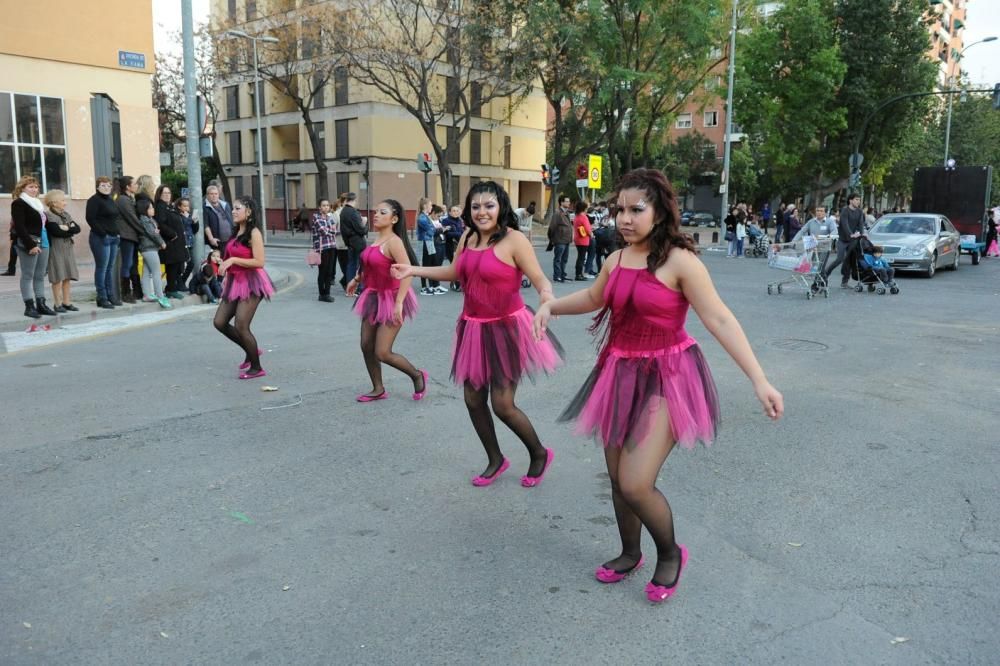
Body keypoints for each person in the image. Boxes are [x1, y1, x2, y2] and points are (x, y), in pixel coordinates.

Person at [533, 168, 783, 603]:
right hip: (619, 372)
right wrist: (550, 307)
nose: (625, 218)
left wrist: (759, 380)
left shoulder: (681, 262)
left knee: (635, 482)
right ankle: (630, 553)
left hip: (668, 375)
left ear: (660, 211)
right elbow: (594, 299)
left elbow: (720, 318)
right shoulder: (615, 259)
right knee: (616, 477)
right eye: (620, 210)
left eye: (636, 209)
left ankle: (670, 554)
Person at [393, 180, 563, 487]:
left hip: (507, 329)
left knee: (503, 404)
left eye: (489, 205)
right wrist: (413, 270)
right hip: (473, 327)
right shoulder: (468, 237)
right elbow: (454, 272)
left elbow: (540, 280)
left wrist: (546, 302)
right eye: (475, 206)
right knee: (473, 400)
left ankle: (538, 453)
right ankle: (495, 459)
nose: (482, 212)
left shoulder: (514, 240)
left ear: (501, 207)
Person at [347, 199, 425, 402]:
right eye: (376, 212)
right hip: (372, 297)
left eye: (382, 212)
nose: (376, 215)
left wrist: (399, 303)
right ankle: (378, 388)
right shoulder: (375, 239)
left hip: (392, 298)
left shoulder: (394, 242)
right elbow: (370, 266)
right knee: (366, 345)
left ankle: (416, 374)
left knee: (382, 351)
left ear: (394, 218)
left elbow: (407, 273)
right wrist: (356, 279)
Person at [213, 196, 274, 380]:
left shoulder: (254, 232)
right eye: (233, 208)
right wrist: (222, 262)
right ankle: (250, 349)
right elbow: (231, 256)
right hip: (234, 281)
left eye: (237, 208)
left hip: (252, 281)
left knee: (241, 325)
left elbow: (259, 261)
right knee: (219, 322)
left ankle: (256, 367)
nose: (233, 211)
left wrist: (233, 260)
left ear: (248, 212)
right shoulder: (235, 231)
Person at [11, 176, 56, 318]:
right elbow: (19, 226)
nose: (34, 189)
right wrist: (30, 244)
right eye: (31, 187)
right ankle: (29, 307)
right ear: (22, 188)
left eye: (36, 187)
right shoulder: (19, 203)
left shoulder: (38, 204)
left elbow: (43, 225)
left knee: (40, 275)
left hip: (43, 241)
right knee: (28, 275)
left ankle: (41, 304)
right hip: (28, 242)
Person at [43, 189, 81, 312]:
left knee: (67, 276)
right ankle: (57, 304)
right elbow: (56, 232)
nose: (65, 203)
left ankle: (66, 302)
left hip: (67, 248)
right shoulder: (48, 215)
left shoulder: (66, 214)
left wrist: (66, 228)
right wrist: (68, 229)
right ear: (54, 203)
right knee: (57, 277)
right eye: (63, 200)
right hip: (56, 249)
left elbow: (78, 229)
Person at [86, 177, 120, 309]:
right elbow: (91, 219)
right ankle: (102, 297)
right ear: (97, 187)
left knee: (110, 268)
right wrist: (103, 234)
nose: (106, 187)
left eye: (108, 185)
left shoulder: (110, 200)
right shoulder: (94, 200)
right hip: (100, 238)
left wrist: (117, 234)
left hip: (113, 237)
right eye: (103, 185)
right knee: (102, 267)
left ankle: (110, 295)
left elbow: (114, 218)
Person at [824, 193, 866, 288]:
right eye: (856, 199)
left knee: (849, 260)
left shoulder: (859, 211)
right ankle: (825, 274)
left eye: (859, 200)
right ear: (850, 200)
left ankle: (845, 282)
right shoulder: (845, 210)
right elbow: (844, 224)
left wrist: (861, 233)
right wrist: (851, 234)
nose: (858, 201)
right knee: (840, 259)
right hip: (843, 239)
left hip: (853, 240)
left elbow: (860, 224)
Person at [114, 176, 144, 304]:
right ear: (127, 186)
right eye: (134, 184)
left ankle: (136, 291)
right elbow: (132, 218)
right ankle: (125, 292)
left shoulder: (129, 199)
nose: (137, 186)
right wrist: (145, 231)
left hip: (132, 236)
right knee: (127, 264)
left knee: (133, 264)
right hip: (127, 235)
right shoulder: (123, 200)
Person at [153, 185, 188, 299]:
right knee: (172, 266)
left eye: (169, 193)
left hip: (177, 242)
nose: (167, 195)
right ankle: (171, 289)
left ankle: (171, 287)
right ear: (160, 195)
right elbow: (161, 223)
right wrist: (173, 234)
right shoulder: (160, 207)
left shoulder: (169, 206)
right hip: (171, 241)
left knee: (176, 265)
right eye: (164, 193)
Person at [136, 199, 171, 309]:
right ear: (144, 209)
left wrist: (157, 233)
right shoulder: (145, 220)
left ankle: (146, 294)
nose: (153, 209)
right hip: (149, 248)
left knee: (146, 272)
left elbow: (155, 232)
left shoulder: (148, 219)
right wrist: (162, 242)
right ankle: (160, 295)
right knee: (157, 272)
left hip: (149, 248)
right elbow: (153, 234)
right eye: (150, 208)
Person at [416, 197, 444, 295]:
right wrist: (438, 229)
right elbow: (431, 230)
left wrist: (436, 229)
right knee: (425, 265)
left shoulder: (425, 216)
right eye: (430, 205)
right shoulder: (422, 217)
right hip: (425, 243)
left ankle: (433, 286)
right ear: (425, 206)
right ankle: (424, 287)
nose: (431, 207)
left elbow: (432, 229)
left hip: (429, 243)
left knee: (432, 263)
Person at [339, 192, 368, 286]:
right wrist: (364, 222)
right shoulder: (353, 212)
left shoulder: (343, 212)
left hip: (349, 242)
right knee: (360, 266)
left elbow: (343, 229)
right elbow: (361, 230)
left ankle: (350, 286)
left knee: (351, 264)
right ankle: (359, 287)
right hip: (358, 243)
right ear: (354, 200)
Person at [311, 199, 337, 302]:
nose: (326, 207)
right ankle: (322, 294)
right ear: (319, 207)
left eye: (327, 205)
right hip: (322, 248)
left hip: (332, 246)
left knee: (330, 272)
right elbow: (323, 231)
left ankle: (327, 293)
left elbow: (335, 230)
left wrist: (330, 230)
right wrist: (331, 230)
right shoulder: (316, 218)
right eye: (323, 205)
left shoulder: (330, 217)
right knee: (323, 271)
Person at [548, 196, 573, 282]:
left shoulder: (567, 213)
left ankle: (562, 274)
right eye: (566, 201)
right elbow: (552, 227)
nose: (568, 203)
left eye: (569, 201)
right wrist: (552, 239)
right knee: (558, 259)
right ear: (561, 203)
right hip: (560, 240)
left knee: (564, 259)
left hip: (566, 240)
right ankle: (557, 275)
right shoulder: (557, 213)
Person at [441, 204, 465, 291]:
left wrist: (460, 233)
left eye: (457, 211)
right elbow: (446, 234)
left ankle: (456, 282)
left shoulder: (460, 221)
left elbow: (463, 231)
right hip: (451, 245)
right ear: (450, 212)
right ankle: (457, 284)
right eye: (453, 211)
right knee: (455, 265)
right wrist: (459, 234)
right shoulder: (445, 221)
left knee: (461, 265)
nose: (456, 212)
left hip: (460, 245)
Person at [203, 184, 234, 251]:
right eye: (211, 194)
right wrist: (211, 239)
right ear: (207, 195)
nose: (214, 196)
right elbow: (206, 225)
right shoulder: (204, 207)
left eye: (216, 194)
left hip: (230, 240)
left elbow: (232, 220)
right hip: (217, 242)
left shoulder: (225, 204)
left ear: (218, 194)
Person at [176, 197, 198, 285]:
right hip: (182, 244)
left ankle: (182, 281)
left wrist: (195, 221)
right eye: (184, 206)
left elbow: (195, 229)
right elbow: (183, 225)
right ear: (179, 207)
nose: (186, 208)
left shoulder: (188, 216)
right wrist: (189, 219)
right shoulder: (179, 216)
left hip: (190, 243)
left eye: (188, 206)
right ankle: (179, 283)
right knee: (181, 266)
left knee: (191, 264)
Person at [573, 200, 593, 280]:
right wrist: (591, 234)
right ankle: (579, 275)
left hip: (577, 238)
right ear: (584, 208)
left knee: (580, 257)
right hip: (583, 239)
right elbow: (588, 229)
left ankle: (578, 273)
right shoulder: (584, 217)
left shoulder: (576, 216)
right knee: (581, 257)